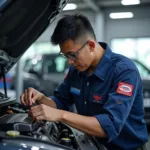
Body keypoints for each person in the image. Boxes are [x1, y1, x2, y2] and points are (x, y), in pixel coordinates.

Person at [20, 13, 148, 150]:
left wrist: (61, 115)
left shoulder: (124, 72)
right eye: (65, 55)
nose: (70, 61)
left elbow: (109, 126)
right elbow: (61, 102)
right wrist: (41, 98)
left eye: (73, 55)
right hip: (92, 144)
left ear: (91, 46)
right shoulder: (76, 71)